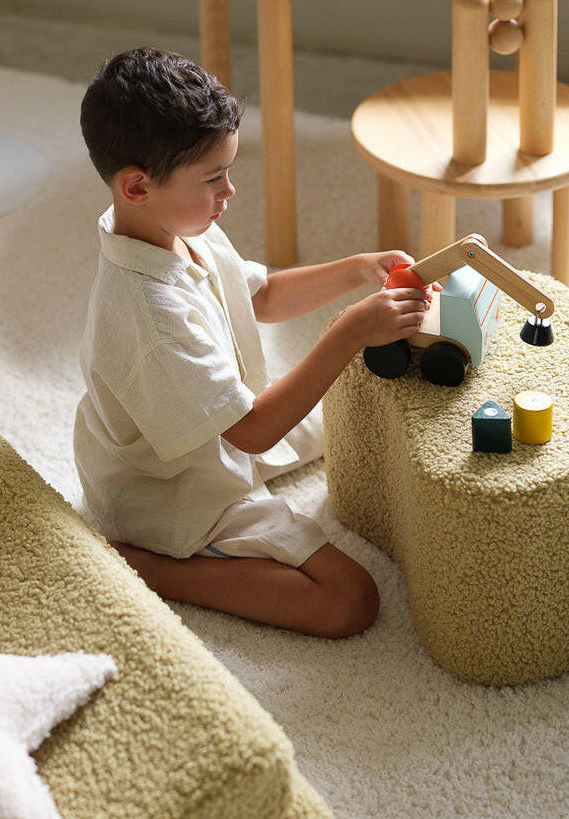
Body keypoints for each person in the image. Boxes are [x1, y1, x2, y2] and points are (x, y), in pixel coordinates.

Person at [74, 47, 432, 638]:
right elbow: (252, 431)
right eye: (214, 178)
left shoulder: (180, 227)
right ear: (137, 186)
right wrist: (347, 331)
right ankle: (152, 568)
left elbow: (261, 296)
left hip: (221, 432)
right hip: (169, 493)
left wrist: (359, 268)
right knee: (350, 600)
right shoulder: (148, 311)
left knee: (353, 411)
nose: (230, 192)